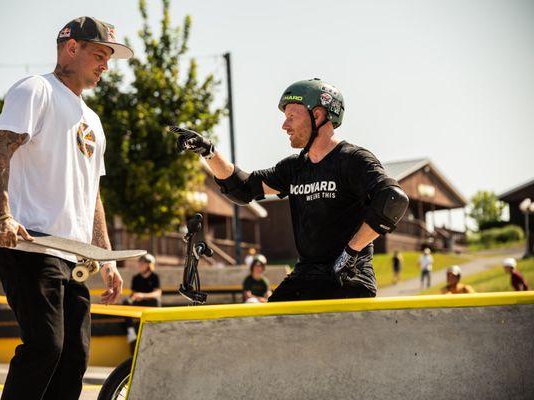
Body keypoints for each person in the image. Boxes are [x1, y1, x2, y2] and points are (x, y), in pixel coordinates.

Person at [0, 17, 132, 400]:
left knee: (74, 358)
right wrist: (1, 215)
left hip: (76, 256)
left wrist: (106, 256)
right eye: (99, 55)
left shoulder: (93, 121)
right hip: (31, 244)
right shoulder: (37, 91)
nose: (105, 65)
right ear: (71, 48)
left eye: (109, 59)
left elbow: (92, 194)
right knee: (45, 347)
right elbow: (0, 150)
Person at [172, 78, 409, 301]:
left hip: (349, 276)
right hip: (306, 275)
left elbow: (392, 200)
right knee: (265, 326)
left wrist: (350, 252)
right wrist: (208, 151)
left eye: (292, 117)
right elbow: (242, 188)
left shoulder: (353, 160)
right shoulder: (294, 168)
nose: (285, 125)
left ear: (318, 115)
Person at [123, 254, 162, 353]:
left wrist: (143, 295)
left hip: (149, 303)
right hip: (138, 303)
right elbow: (133, 293)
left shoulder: (155, 277)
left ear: (149, 264)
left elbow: (158, 293)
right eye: (139, 263)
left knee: (156, 300)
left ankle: (155, 324)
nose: (140, 265)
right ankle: (130, 330)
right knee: (126, 302)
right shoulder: (136, 278)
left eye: (142, 263)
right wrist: (134, 297)